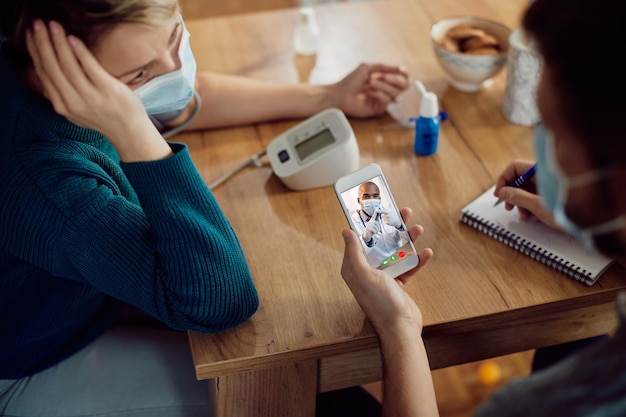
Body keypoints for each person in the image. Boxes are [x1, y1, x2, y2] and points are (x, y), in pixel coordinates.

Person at [0, 0, 409, 415]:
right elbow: (223, 301)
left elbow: (186, 101)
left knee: (320, 379)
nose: (175, 67)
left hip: (93, 299)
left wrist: (328, 95)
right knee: (274, 388)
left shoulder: (72, 79)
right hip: (36, 359)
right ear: (63, 70)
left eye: (175, 34)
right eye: (139, 76)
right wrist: (133, 126)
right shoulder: (44, 180)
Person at [339, 0, 626, 416]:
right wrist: (598, 221)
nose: (543, 153)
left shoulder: (547, 405)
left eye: (555, 133)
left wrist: (398, 326)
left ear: (612, 177)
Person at [350, 181, 409, 268]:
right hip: (380, 269)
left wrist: (400, 226)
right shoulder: (353, 222)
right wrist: (366, 239)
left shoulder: (390, 212)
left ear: (380, 199)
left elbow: (408, 239)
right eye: (366, 196)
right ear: (359, 200)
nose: (371, 199)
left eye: (375, 196)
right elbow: (357, 255)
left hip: (402, 260)